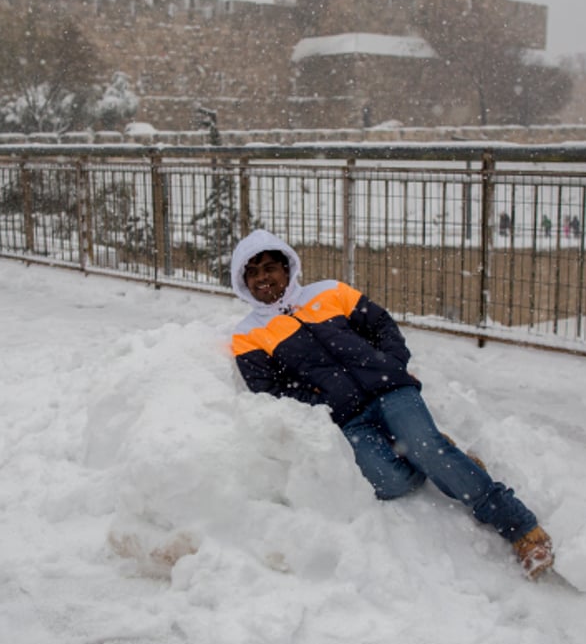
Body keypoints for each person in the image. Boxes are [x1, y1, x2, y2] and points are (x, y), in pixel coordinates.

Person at [228, 229, 554, 579]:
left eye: (269, 267)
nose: (263, 278)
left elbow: (381, 324)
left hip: (391, 390)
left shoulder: (330, 291)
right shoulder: (247, 334)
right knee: (390, 482)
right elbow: (270, 388)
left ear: (287, 267)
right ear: (243, 283)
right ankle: (441, 456)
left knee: (428, 450)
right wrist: (322, 401)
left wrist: (392, 364)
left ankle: (519, 527)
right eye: (253, 273)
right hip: (349, 418)